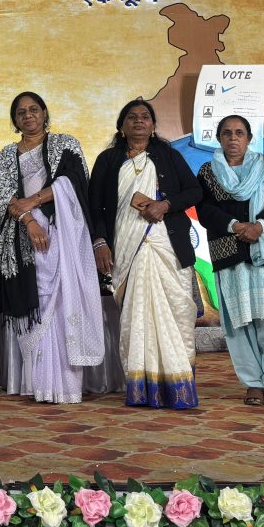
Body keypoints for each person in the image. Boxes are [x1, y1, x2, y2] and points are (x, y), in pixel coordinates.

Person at [88, 99, 202, 409]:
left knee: (176, 312)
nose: (139, 121)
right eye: (132, 117)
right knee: (136, 316)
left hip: (167, 245)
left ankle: (177, 386)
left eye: (145, 117)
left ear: (152, 126)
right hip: (127, 248)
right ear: (121, 126)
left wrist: (166, 205)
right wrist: (99, 242)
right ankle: (142, 387)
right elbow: (94, 206)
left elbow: (194, 191)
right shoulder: (108, 160)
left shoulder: (169, 155)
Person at [0, 92, 105, 403]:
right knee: (37, 306)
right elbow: (3, 198)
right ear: (15, 120)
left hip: (63, 235)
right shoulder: (7, 154)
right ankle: (39, 385)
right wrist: (29, 220)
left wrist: (35, 200)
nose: (28, 116)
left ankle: (66, 386)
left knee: (63, 303)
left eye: (34, 110)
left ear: (44, 113)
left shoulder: (65, 144)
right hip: (24, 240)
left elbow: (77, 184)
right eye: (21, 112)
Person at [197, 114, 264, 408]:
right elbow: (205, 210)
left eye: (239, 133)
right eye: (227, 133)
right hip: (229, 253)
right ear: (219, 138)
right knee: (239, 321)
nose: (233, 138)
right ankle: (252, 382)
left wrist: (259, 226)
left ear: (249, 138)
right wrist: (236, 226)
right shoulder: (207, 172)